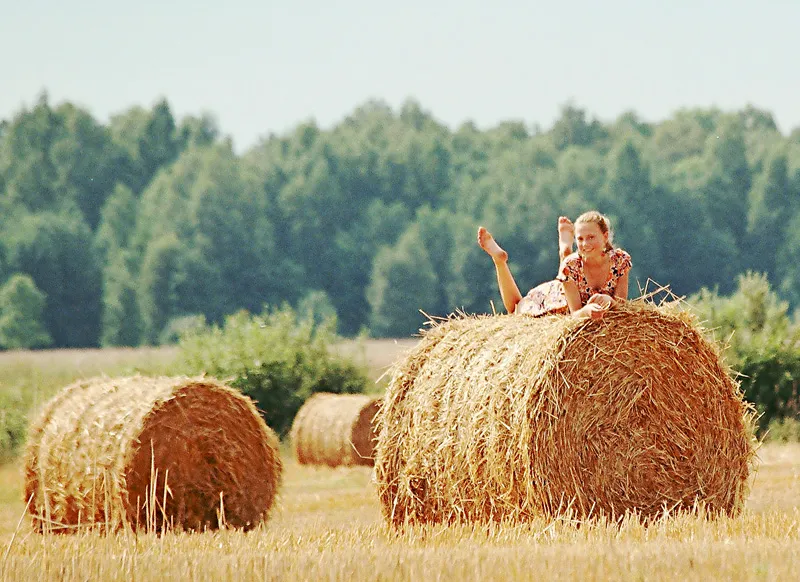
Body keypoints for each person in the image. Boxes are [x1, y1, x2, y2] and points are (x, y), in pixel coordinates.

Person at [477, 211, 632, 320]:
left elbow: (621, 305)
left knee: (568, 262)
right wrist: (586, 312)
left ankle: (565, 249)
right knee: (515, 309)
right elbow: (574, 315)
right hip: (559, 298)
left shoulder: (620, 261)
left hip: (570, 278)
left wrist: (609, 301)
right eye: (580, 239)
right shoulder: (571, 267)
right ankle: (500, 261)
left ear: (605, 237)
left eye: (591, 237)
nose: (585, 244)